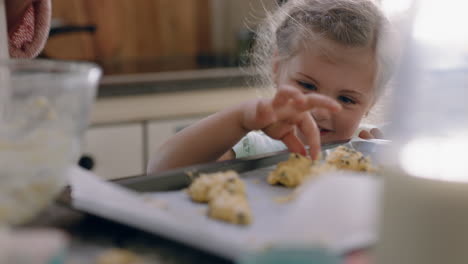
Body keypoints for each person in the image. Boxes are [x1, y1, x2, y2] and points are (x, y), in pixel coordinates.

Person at [148, 0, 395, 173]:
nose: (320, 111)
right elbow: (161, 169)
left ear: (372, 102)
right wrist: (240, 119)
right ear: (277, 68)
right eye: (307, 85)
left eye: (346, 100)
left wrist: (391, 168)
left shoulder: (370, 147)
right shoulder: (254, 149)